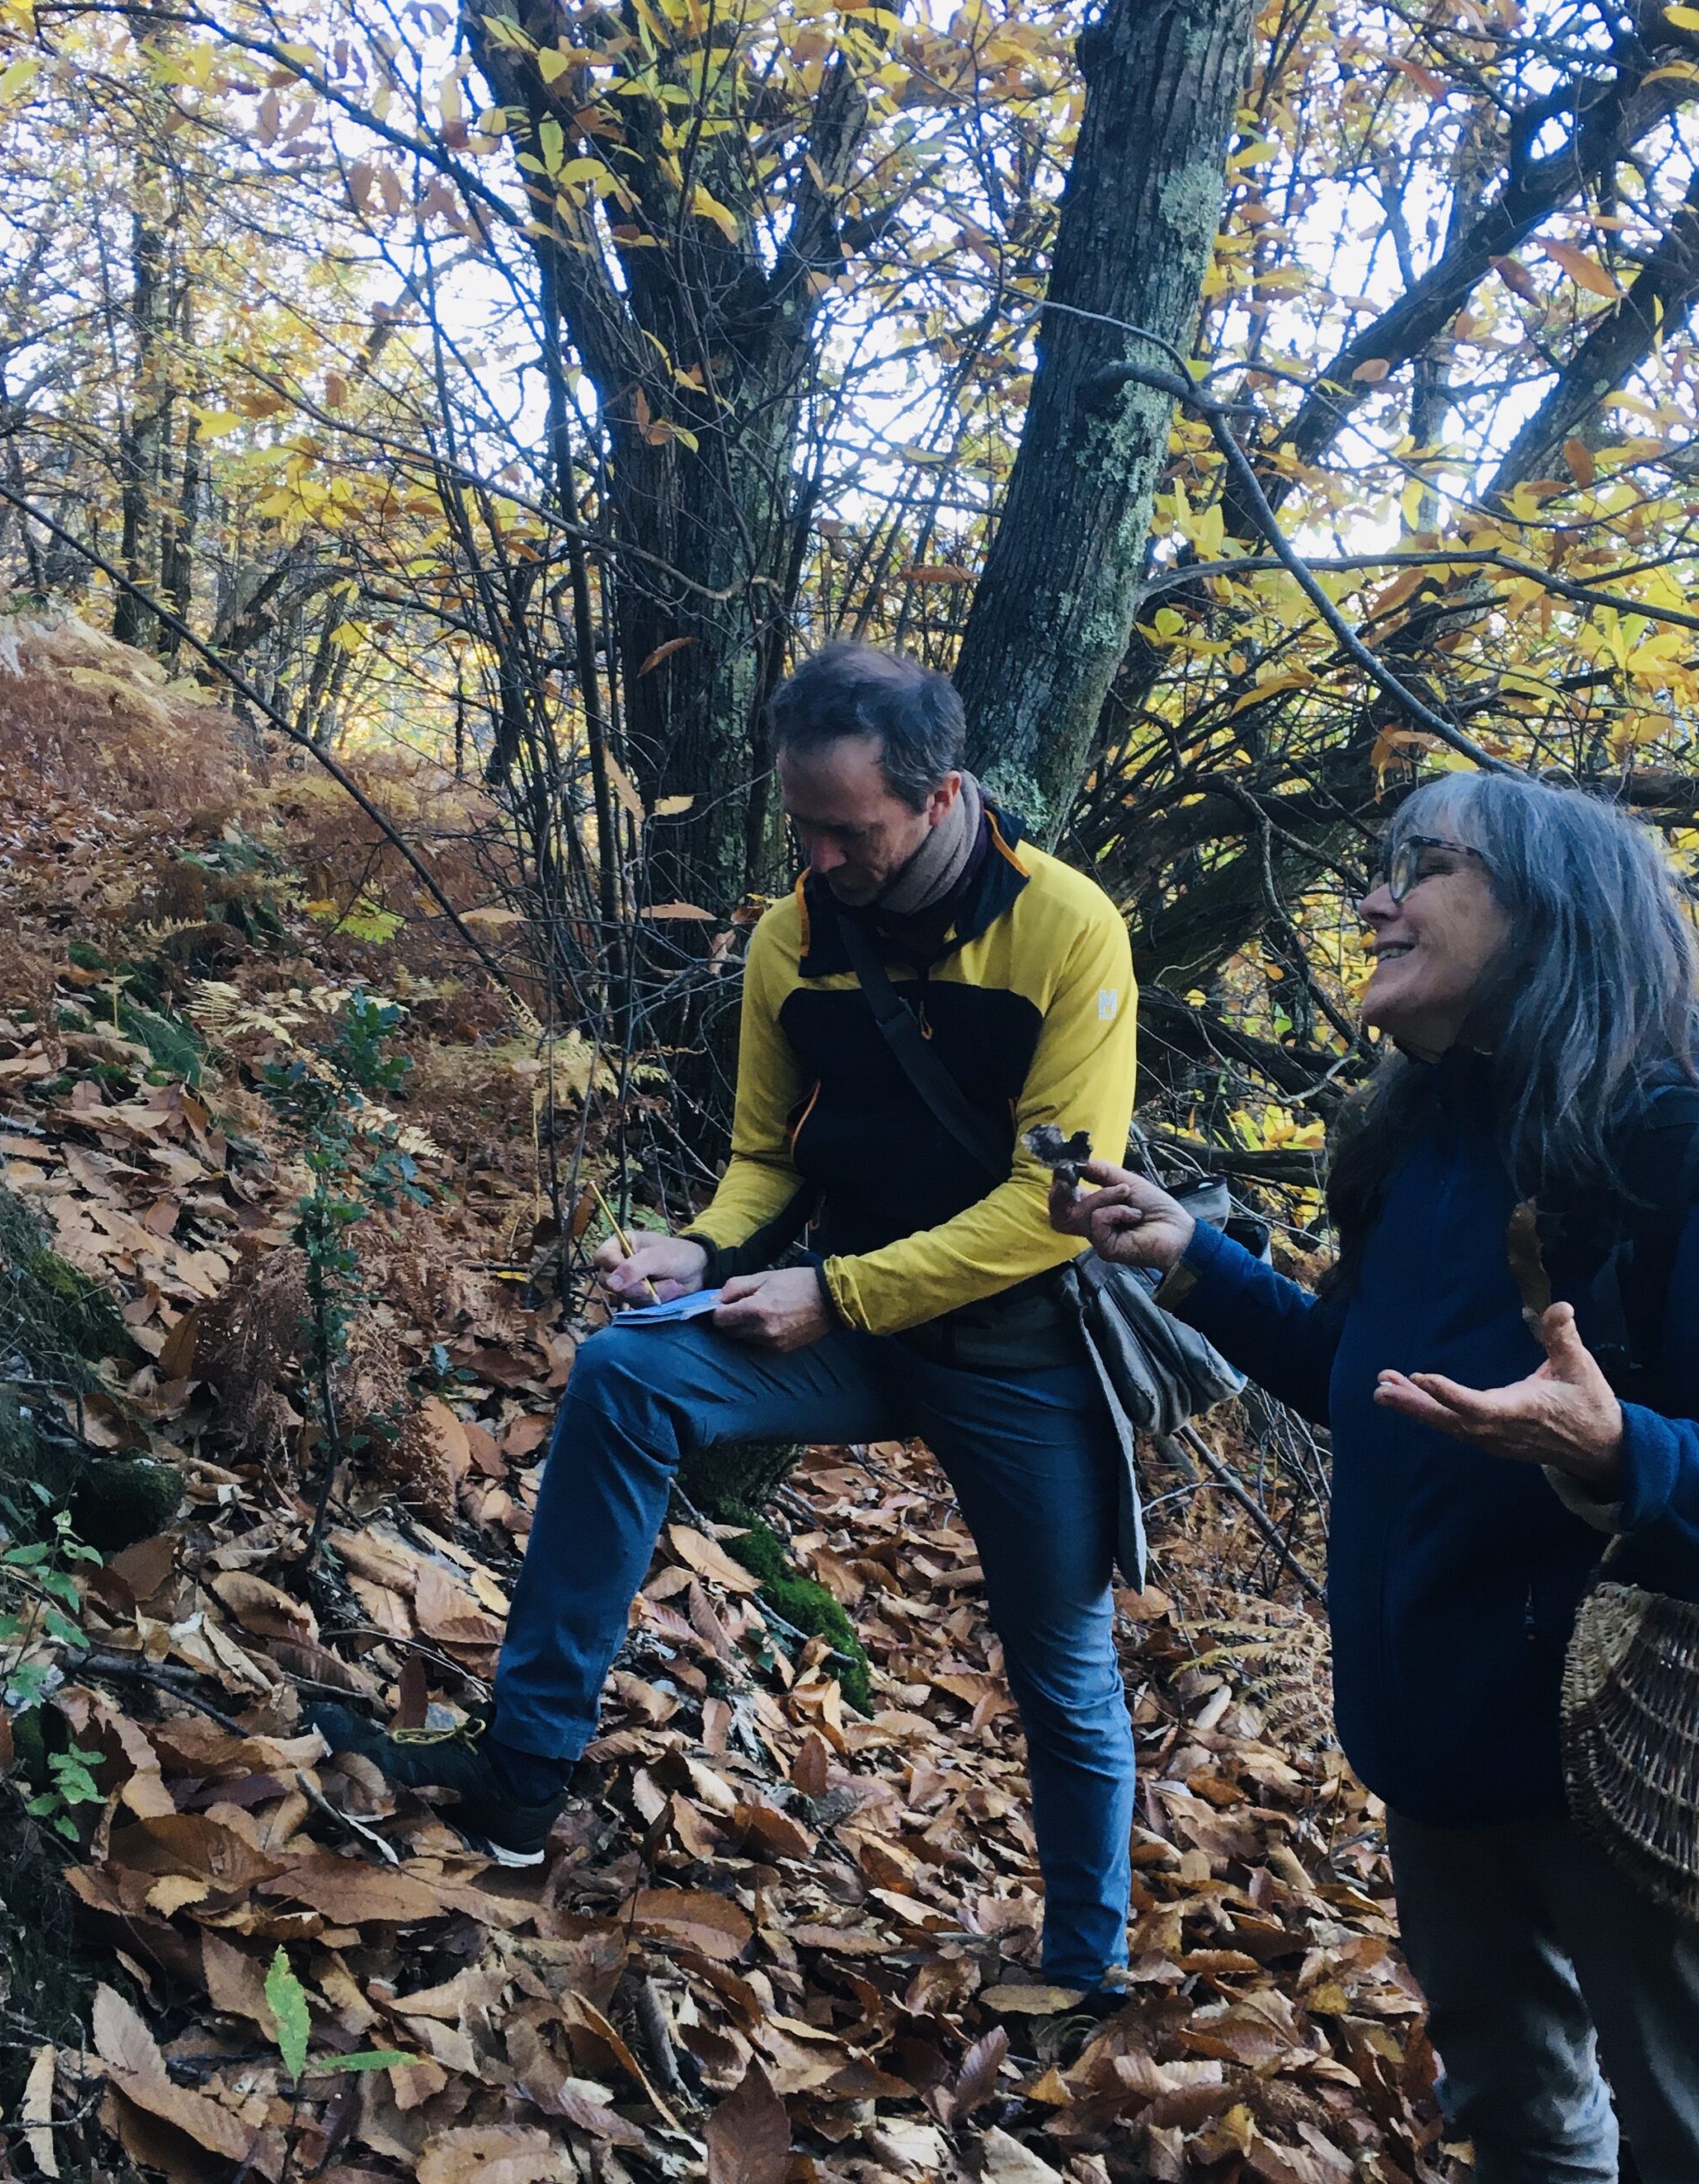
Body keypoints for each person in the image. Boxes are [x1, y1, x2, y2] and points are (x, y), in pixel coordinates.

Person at [1051, 771, 1699, 2184]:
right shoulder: (1413, 1144)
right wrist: (1194, 1256)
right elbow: (1367, 1389)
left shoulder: (1696, 1165)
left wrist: (1624, 1451)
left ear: (1556, 919)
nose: (1375, 899)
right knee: (1518, 2119)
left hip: (1644, 1769)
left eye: (1420, 865)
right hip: (1437, 1747)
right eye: (1381, 863)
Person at [317, 642, 1143, 2009]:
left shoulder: (1066, 930)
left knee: (1062, 1667)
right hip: (853, 1324)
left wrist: (841, 1289)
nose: (819, 858)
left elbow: (1052, 1209)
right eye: (802, 825)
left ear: (937, 798)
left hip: (1017, 1354)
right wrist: (697, 1248)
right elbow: (769, 1159)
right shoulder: (792, 939)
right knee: (626, 1374)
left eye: (850, 829)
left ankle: (1084, 1973)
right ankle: (519, 1780)